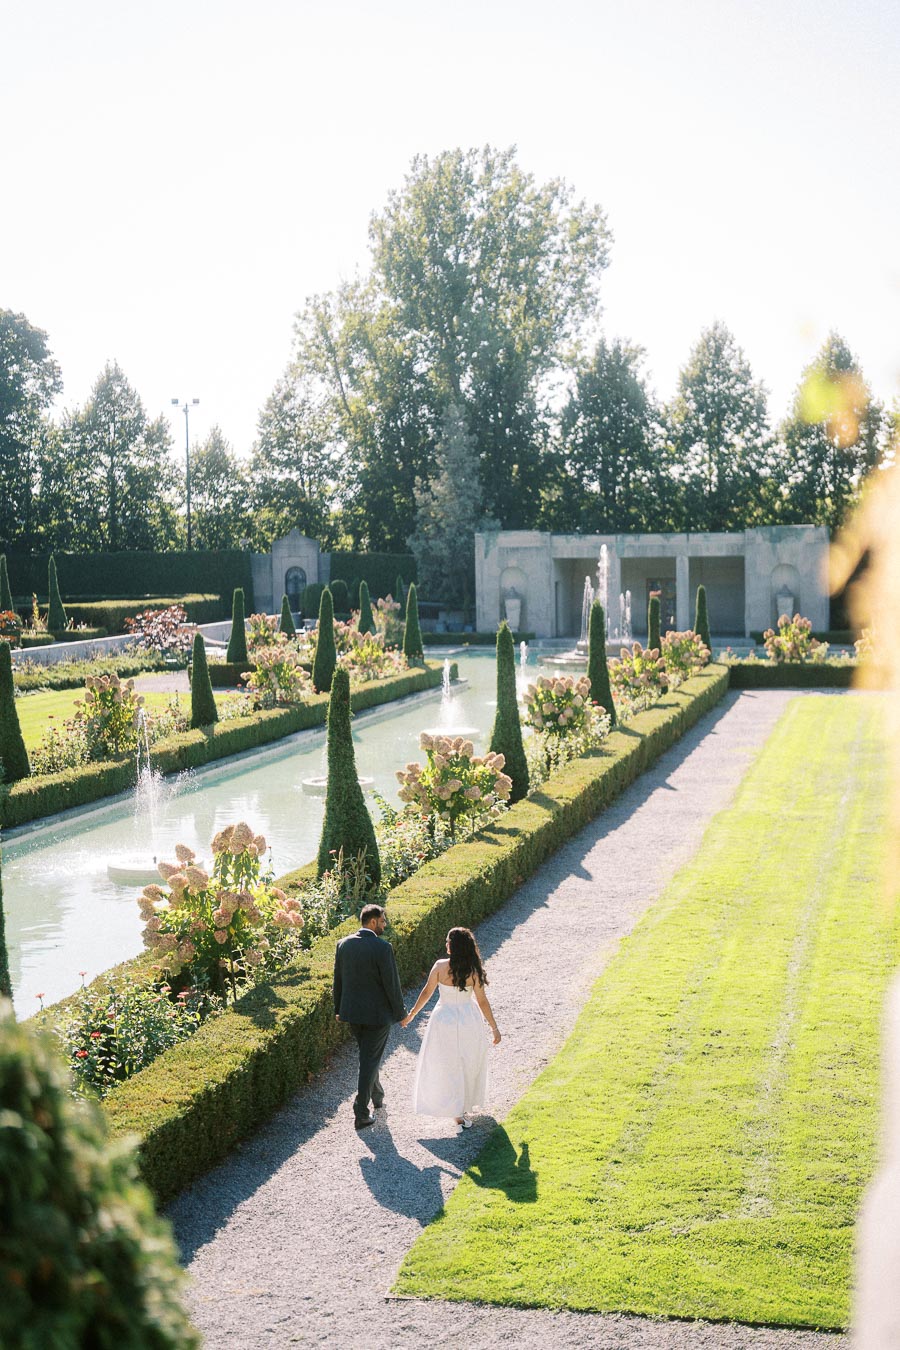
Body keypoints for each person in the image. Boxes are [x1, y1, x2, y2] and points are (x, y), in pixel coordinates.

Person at [401, 926, 500, 1131]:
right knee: (467, 1061)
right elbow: (482, 1001)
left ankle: (454, 1108)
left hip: (443, 1019)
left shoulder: (439, 967)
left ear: (453, 946)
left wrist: (412, 1014)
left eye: (448, 941)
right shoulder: (473, 971)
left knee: (445, 1062)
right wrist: (494, 1027)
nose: (445, 944)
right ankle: (460, 1108)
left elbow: (427, 993)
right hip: (467, 1019)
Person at [333, 903, 406, 1130]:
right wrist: (401, 1013)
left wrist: (338, 1009)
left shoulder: (343, 945)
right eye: (382, 921)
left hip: (352, 1014)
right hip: (377, 1017)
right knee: (368, 1061)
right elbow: (392, 985)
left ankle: (378, 1096)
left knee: (368, 1058)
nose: (384, 925)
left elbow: (338, 981)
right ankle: (361, 1112)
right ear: (373, 922)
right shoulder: (382, 948)